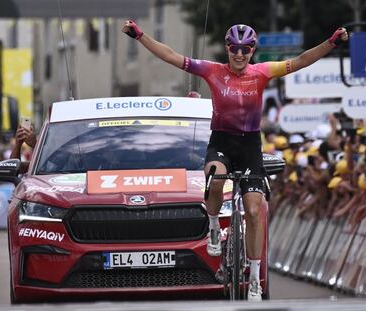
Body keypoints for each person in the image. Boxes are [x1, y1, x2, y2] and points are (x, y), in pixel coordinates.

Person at [122, 20, 348, 300]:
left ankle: (253, 278)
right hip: (221, 142)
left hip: (250, 145)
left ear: (253, 50)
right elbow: (170, 56)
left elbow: (300, 61)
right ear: (227, 49)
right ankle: (215, 226)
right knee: (216, 179)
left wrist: (331, 43)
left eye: (246, 49)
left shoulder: (263, 72)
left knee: (254, 211)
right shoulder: (212, 70)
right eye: (234, 49)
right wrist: (140, 36)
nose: (239, 55)